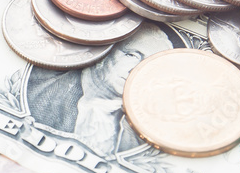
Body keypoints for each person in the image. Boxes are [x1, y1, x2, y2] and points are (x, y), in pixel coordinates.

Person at [25, 24, 175, 157]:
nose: (136, 70)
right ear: (105, 52)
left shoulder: (142, 136)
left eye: (148, 66)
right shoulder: (38, 95)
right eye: (131, 55)